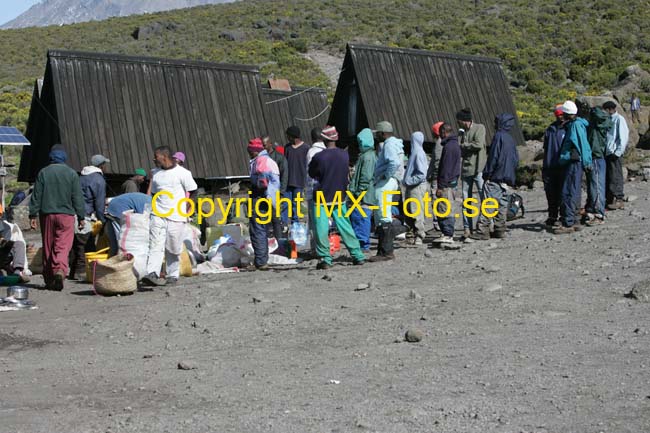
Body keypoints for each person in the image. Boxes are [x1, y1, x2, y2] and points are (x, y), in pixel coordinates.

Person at [308, 126, 366, 269]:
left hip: (322, 196)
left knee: (321, 228)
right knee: (344, 225)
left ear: (324, 139)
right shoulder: (344, 155)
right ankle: (357, 255)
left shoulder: (319, 157)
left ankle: (326, 259)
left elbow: (312, 173)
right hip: (339, 195)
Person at [29, 146, 85, 291]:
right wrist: (81, 217)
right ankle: (60, 270)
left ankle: (49, 279)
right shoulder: (72, 174)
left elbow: (36, 195)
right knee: (63, 246)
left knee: (48, 246)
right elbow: (77, 197)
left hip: (47, 214)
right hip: (66, 215)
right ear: (64, 159)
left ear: (51, 159)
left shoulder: (44, 172)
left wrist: (32, 214)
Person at [142, 146, 197, 286]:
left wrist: (188, 207)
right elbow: (154, 193)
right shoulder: (156, 174)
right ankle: (152, 273)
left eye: (156, 156)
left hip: (176, 215)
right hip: (158, 214)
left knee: (173, 246)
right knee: (155, 244)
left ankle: (172, 274)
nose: (154, 159)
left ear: (164, 156)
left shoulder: (183, 173)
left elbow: (193, 190)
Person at [471, 114, 519, 240]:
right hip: (508, 177)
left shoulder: (498, 137)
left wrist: (487, 173)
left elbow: (493, 157)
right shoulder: (510, 139)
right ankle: (500, 229)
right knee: (502, 204)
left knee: (489, 203)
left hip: (496, 176)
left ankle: (482, 230)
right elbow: (515, 160)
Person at [554, 100, 592, 234]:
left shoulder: (574, 126)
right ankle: (574, 219)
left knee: (568, 191)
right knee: (574, 191)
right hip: (577, 162)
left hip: (573, 162)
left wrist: (586, 161)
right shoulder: (579, 123)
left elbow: (582, 144)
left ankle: (568, 222)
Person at [69, 154, 109, 280]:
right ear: (101, 166)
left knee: (75, 244)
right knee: (86, 244)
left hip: (72, 213)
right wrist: (102, 219)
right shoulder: (98, 180)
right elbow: (99, 202)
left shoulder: (81, 177)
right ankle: (82, 271)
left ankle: (73, 271)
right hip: (85, 215)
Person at [369, 121, 405, 262]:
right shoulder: (396, 144)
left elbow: (394, 162)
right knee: (384, 214)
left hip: (386, 181)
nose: (376, 136)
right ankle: (382, 251)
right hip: (392, 182)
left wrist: (386, 175)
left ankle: (387, 251)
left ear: (383, 133)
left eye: (377, 133)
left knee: (383, 215)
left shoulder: (389, 144)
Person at [247, 137, 280, 270]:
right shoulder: (268, 159)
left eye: (249, 150)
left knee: (257, 229)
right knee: (262, 229)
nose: (248, 153)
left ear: (255, 151)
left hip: (261, 198)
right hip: (269, 199)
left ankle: (261, 261)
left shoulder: (261, 161)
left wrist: (253, 183)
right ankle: (261, 259)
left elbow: (262, 182)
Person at [457, 108, 487, 238]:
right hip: (466, 169)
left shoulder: (479, 128)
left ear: (463, 120)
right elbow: (460, 146)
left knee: (484, 197)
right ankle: (467, 228)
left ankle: (485, 224)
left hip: (478, 168)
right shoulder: (462, 132)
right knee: (466, 200)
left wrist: (465, 145)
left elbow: (478, 144)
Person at [348, 128, 377, 252]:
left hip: (363, 195)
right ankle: (361, 243)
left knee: (361, 218)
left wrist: (358, 193)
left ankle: (363, 244)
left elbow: (365, 177)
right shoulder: (367, 155)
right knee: (360, 218)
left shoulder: (367, 157)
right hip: (363, 193)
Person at [583, 107, 613, 226]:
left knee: (596, 186)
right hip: (598, 157)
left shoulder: (595, 125)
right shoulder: (603, 123)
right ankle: (592, 210)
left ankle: (599, 213)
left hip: (596, 156)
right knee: (594, 186)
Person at [433, 123, 461, 244]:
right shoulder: (455, 144)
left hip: (447, 183)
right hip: (452, 181)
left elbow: (446, 168)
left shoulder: (449, 147)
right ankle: (448, 232)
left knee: (445, 208)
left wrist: (441, 186)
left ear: (444, 132)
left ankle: (447, 234)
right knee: (447, 207)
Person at [402, 131, 428, 245]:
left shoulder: (418, 153)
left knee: (416, 211)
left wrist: (409, 181)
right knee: (410, 211)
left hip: (416, 186)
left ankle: (419, 235)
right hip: (412, 186)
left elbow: (422, 173)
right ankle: (412, 234)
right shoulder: (415, 152)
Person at [603, 101, 629, 210]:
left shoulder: (619, 119)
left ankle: (619, 199)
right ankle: (609, 200)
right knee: (609, 177)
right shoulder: (608, 120)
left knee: (616, 176)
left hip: (614, 153)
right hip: (608, 152)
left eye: (605, 109)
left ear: (610, 109)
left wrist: (618, 152)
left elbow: (623, 137)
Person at [542, 105, 566, 227]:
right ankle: (552, 216)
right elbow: (546, 147)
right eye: (558, 115)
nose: (560, 117)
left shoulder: (567, 128)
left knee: (562, 192)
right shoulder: (550, 129)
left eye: (561, 115)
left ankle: (563, 215)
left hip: (562, 165)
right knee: (550, 193)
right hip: (549, 165)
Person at [283, 126, 310, 224]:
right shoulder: (287, 148)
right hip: (288, 181)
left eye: (288, 136)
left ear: (293, 136)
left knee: (296, 203)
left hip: (299, 180)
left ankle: (296, 223)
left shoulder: (306, 148)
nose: (287, 138)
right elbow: (285, 163)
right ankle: (284, 223)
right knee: (285, 203)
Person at [305, 127, 326, 253]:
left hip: (314, 190)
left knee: (315, 220)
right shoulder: (327, 150)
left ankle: (316, 248)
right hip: (328, 189)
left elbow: (309, 174)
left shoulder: (311, 152)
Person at [262, 135, 287, 237]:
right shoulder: (261, 158)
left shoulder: (279, 158)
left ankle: (279, 242)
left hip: (275, 193)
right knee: (265, 219)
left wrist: (281, 192)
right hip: (264, 193)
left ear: (270, 144)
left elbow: (284, 175)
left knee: (276, 219)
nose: (263, 148)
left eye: (264, 145)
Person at [0, 205, 30, 283]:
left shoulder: (6, 228)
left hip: (3, 257)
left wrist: (4, 242)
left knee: (19, 244)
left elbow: (6, 247)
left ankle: (17, 271)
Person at [426, 121, 444, 232]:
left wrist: (432, 175)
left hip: (436, 178)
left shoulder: (439, 144)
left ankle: (437, 223)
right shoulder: (443, 143)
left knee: (436, 200)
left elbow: (436, 162)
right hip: (440, 177)